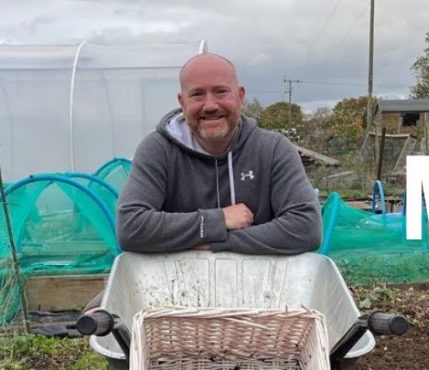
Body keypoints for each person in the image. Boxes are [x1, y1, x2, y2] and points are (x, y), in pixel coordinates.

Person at [114, 52, 322, 255]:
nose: (210, 105)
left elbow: (306, 228)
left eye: (221, 92)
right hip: (177, 285)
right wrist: (218, 220)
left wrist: (216, 242)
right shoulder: (157, 149)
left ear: (240, 96)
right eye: (197, 94)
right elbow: (131, 227)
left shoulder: (273, 149)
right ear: (182, 102)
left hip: (262, 285)